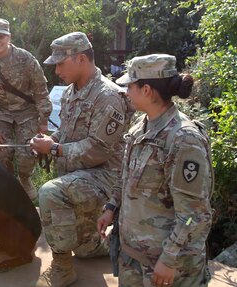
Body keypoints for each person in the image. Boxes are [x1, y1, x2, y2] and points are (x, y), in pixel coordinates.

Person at [97, 54, 213, 287]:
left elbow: (194, 213)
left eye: (130, 86)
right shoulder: (141, 127)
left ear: (147, 90)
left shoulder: (184, 139)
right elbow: (126, 175)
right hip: (134, 256)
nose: (126, 92)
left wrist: (169, 259)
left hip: (167, 267)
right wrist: (111, 206)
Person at [29, 32, 134, 287]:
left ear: (81, 59)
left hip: (105, 179)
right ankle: (109, 244)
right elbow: (65, 134)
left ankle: (63, 269)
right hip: (77, 176)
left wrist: (53, 149)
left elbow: (97, 150)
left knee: (50, 193)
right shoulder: (69, 93)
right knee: (85, 250)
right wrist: (46, 141)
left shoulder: (108, 95)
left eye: (61, 64)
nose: (56, 71)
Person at [0, 18, 52, 200]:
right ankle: (6, 182)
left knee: (28, 152)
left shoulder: (26, 59)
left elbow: (41, 90)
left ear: (9, 37)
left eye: (0, 37)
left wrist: (43, 120)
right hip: (0, 112)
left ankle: (24, 179)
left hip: (26, 112)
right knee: (3, 151)